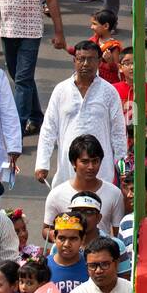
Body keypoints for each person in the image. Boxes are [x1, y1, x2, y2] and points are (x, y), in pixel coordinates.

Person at [0, 0, 65, 134]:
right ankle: (36, 116)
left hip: (30, 32)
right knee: (19, 76)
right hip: (6, 30)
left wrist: (59, 32)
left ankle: (15, 130)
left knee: (22, 79)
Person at [34, 42, 125, 188]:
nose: (85, 64)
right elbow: (49, 129)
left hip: (101, 172)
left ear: (99, 61)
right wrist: (42, 163)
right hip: (67, 170)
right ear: (74, 61)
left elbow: (118, 132)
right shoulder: (61, 90)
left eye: (91, 59)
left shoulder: (109, 92)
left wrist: (122, 168)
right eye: (81, 59)